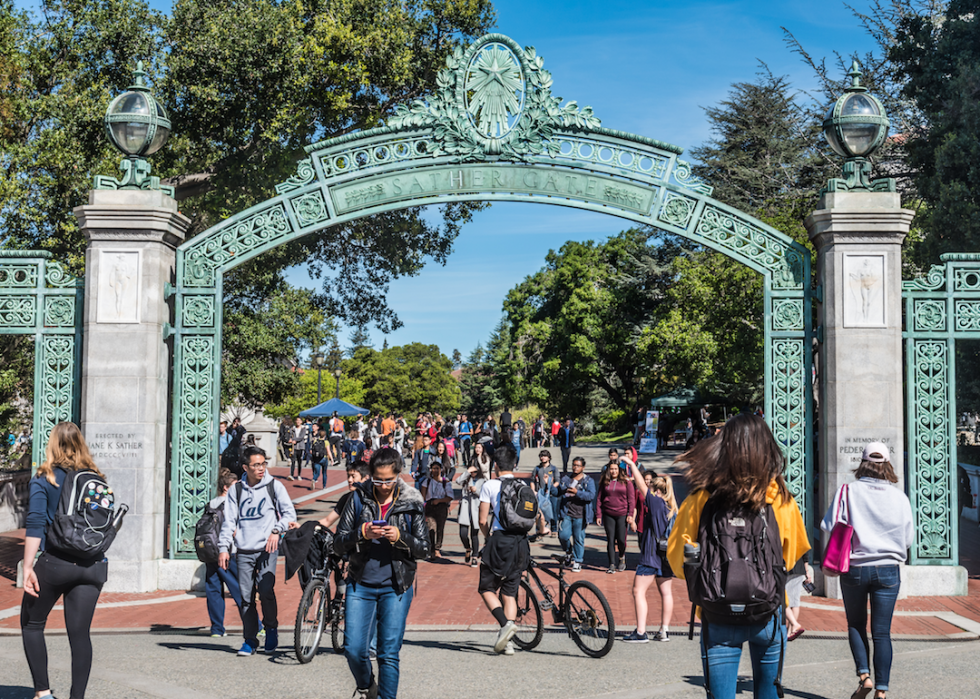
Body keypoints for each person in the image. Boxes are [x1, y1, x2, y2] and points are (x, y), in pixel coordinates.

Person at [666, 414, 811, 699]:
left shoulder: (702, 498)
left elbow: (677, 559)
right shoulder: (780, 499)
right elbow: (791, 554)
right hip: (767, 611)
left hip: (717, 611)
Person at [21, 422, 110, 699]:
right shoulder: (96, 478)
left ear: (53, 444)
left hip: (56, 562)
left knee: (32, 623)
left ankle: (43, 692)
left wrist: (27, 567)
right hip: (92, 565)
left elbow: (36, 523)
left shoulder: (45, 477)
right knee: (80, 634)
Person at [820, 442, 913, 699]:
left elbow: (828, 524)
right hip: (888, 570)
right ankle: (882, 691)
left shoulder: (848, 491)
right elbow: (908, 539)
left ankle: (865, 676)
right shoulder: (899, 497)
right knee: (882, 632)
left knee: (856, 624)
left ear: (863, 463)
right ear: (887, 465)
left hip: (856, 567)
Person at [334, 448, 428, 699]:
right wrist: (361, 534)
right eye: (378, 479)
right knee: (353, 649)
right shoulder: (358, 499)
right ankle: (367, 686)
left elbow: (424, 549)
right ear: (371, 476)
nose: (384, 485)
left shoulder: (412, 501)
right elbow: (338, 542)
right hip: (360, 583)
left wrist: (401, 537)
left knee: (388, 653)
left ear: (398, 474)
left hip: (396, 586)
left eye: (389, 479)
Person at [218, 446, 297, 656]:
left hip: (267, 548)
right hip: (243, 549)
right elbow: (229, 521)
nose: (261, 468)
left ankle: (271, 628)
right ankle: (250, 639)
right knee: (246, 597)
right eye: (256, 465)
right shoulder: (236, 490)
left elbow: (289, 514)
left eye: (263, 463)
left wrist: (276, 530)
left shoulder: (275, 486)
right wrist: (224, 548)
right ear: (246, 467)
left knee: (265, 590)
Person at [478, 442, 530, 656]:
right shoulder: (524, 485)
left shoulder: (490, 485)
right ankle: (507, 642)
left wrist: (487, 537)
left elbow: (482, 520)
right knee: (510, 592)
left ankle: (505, 626)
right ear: (514, 464)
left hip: (500, 541)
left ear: (496, 465)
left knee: (486, 587)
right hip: (521, 543)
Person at [623, 456, 676, 643]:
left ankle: (640, 631)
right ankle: (664, 630)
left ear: (657, 490)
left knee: (638, 591)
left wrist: (631, 465)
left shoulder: (656, 503)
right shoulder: (671, 508)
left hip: (651, 554)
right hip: (666, 555)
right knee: (666, 592)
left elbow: (640, 486)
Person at [204, 468, 247, 637]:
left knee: (213, 590)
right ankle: (256, 626)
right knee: (240, 589)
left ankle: (216, 628)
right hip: (229, 552)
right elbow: (233, 530)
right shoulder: (230, 505)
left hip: (210, 553)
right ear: (226, 488)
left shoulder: (211, 504)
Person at [552, 456, 595, 572]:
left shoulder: (588, 481)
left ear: (583, 467)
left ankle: (577, 561)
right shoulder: (566, 479)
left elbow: (591, 495)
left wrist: (577, 493)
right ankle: (568, 552)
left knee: (578, 538)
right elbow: (557, 493)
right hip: (566, 513)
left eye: (578, 465)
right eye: (574, 465)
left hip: (581, 514)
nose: (575, 467)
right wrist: (550, 485)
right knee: (563, 536)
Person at [596, 459, 635, 573]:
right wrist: (598, 514)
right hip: (608, 513)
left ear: (619, 470)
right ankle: (612, 564)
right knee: (611, 539)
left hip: (622, 514)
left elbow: (631, 500)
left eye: (615, 469)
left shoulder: (627, 482)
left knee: (621, 540)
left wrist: (630, 514)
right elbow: (599, 499)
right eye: (611, 469)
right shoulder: (605, 481)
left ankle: (621, 557)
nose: (613, 471)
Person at [419, 461, 454, 559]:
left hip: (441, 507)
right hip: (430, 507)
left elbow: (450, 496)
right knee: (431, 528)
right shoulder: (427, 481)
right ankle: (432, 549)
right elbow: (423, 495)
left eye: (437, 468)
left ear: (441, 469)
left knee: (440, 528)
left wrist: (439, 501)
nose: (435, 470)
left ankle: (437, 548)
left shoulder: (445, 482)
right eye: (433, 468)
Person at [456, 459, 486, 567]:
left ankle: (475, 556)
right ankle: (467, 548)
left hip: (476, 508)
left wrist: (476, 490)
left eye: (475, 470)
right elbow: (458, 481)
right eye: (471, 470)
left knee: (474, 534)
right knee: (463, 533)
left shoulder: (483, 480)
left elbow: (484, 494)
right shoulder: (465, 478)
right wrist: (467, 472)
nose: (473, 473)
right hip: (465, 507)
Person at [785, 554, 812, 642]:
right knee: (795, 602)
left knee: (783, 599)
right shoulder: (801, 539)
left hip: (787, 568)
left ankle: (793, 626)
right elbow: (805, 555)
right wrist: (807, 571)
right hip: (800, 569)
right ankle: (790, 631)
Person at [531, 450, 558, 535]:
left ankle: (554, 529)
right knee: (539, 513)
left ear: (549, 457)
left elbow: (557, 481)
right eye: (541, 456)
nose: (543, 458)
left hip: (550, 494)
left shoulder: (553, 468)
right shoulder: (537, 468)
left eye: (545, 456)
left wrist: (552, 487)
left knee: (553, 512)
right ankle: (539, 530)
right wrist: (533, 491)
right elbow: (532, 481)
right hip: (540, 494)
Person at [310, 426, 331, 491]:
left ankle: (314, 479)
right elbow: (328, 451)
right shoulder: (326, 442)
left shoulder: (315, 441)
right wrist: (332, 459)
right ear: (325, 435)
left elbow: (311, 450)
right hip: (324, 458)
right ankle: (324, 486)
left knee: (317, 472)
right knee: (324, 473)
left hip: (316, 459)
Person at [288, 417, 307, 481]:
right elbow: (290, 435)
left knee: (299, 461)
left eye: (299, 420)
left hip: (301, 447)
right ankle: (291, 475)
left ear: (301, 422)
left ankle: (299, 475)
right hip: (294, 447)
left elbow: (301, 437)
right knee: (293, 461)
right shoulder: (293, 428)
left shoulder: (303, 428)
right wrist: (291, 440)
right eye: (297, 420)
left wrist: (293, 440)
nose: (298, 422)